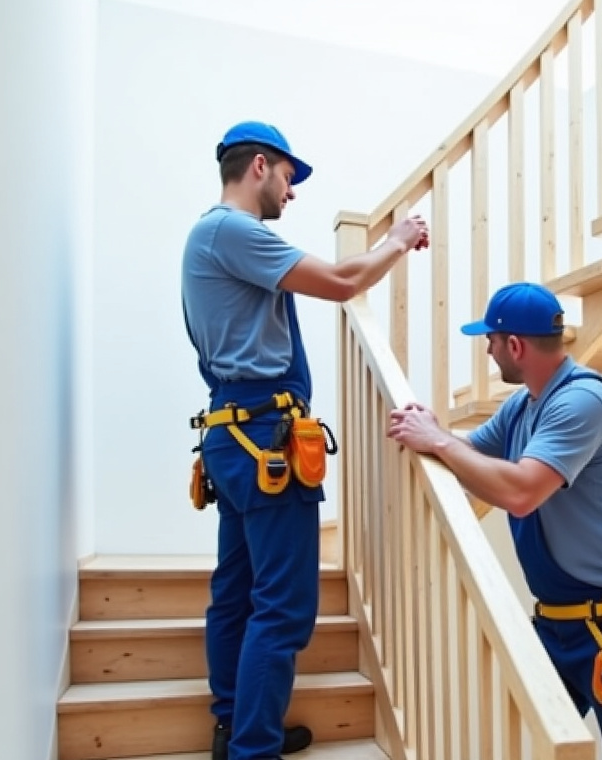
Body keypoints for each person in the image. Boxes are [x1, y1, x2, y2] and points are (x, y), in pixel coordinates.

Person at [181, 120, 429, 760]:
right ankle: (254, 747)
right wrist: (398, 239)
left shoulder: (210, 239)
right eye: (290, 178)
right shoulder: (230, 231)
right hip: (263, 434)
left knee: (235, 593)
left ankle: (235, 728)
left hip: (233, 432)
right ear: (260, 165)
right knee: (284, 608)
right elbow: (344, 281)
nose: (292, 193)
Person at [386, 282, 602, 760]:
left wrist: (439, 443)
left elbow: (521, 491)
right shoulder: (523, 405)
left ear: (515, 345)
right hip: (557, 624)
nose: (487, 349)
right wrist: (437, 434)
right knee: (526, 746)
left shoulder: (582, 401)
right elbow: (474, 454)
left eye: (490, 340)